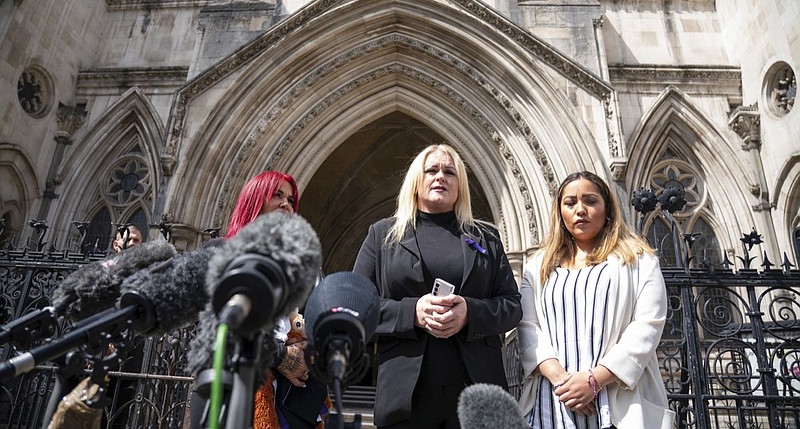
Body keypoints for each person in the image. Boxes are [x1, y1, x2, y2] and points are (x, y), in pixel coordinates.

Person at [353, 144, 522, 429]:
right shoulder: (382, 235)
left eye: (449, 172)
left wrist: (470, 313)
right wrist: (412, 312)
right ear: (416, 182)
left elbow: (512, 306)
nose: (440, 177)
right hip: (405, 398)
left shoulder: (487, 238)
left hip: (478, 393)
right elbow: (357, 304)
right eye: (431, 170)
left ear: (461, 185)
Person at [517, 171, 675, 429]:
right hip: (553, 404)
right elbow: (528, 327)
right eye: (570, 203)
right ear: (560, 212)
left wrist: (594, 381)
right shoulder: (537, 267)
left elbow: (647, 326)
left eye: (590, 201)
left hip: (618, 404)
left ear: (607, 208)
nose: (580, 210)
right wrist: (565, 384)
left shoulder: (639, 260)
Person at [190, 170, 330, 429]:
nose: (286, 204)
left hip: (292, 400)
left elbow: (318, 327)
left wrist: (307, 353)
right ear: (255, 201)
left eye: (290, 200)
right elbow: (217, 328)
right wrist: (278, 355)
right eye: (277, 195)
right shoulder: (221, 253)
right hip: (230, 391)